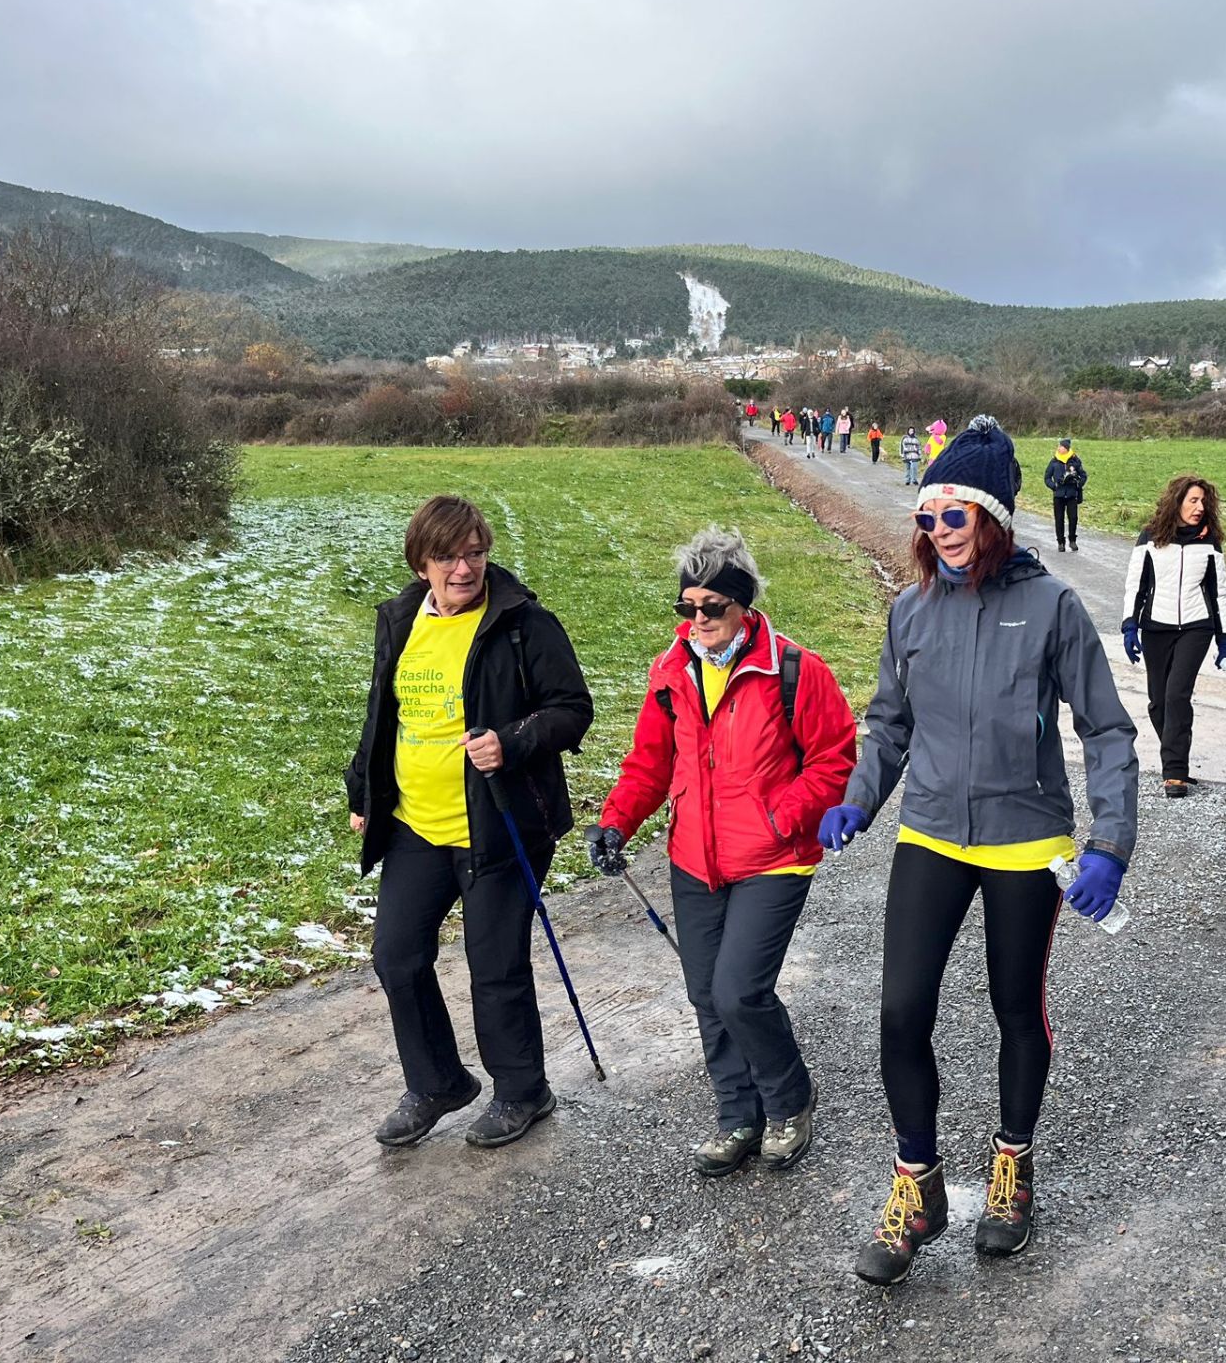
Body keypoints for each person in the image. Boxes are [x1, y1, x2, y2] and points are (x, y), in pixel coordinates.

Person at [817, 417, 1139, 1286]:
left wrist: (1108, 842)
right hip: (928, 830)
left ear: (993, 517)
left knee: (1013, 1010)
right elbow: (889, 722)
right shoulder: (911, 611)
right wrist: (856, 799)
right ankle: (917, 1184)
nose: (939, 533)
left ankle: (1011, 1169)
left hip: (1025, 839)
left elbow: (1107, 730)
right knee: (900, 1010)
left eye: (955, 516)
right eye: (927, 518)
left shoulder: (1052, 607)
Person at [588, 529, 856, 1175]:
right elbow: (649, 763)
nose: (699, 619)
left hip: (774, 859)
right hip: (694, 857)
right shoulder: (671, 672)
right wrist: (617, 821)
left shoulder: (794, 669)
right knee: (706, 994)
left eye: (713, 606)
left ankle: (790, 1100)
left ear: (743, 605)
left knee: (739, 991)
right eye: (688, 607)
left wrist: (782, 818)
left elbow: (834, 758)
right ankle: (738, 1116)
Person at [347, 495, 594, 1150]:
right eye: (449, 556)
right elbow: (384, 714)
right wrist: (362, 790)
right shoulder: (401, 619)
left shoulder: (522, 623)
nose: (465, 568)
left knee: (496, 966)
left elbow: (572, 708)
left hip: (500, 824)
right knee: (396, 956)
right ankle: (437, 1084)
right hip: (416, 827)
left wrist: (511, 741)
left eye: (476, 553)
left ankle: (522, 1091)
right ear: (422, 561)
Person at [1121, 475, 1226, 798]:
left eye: (1203, 502)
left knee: (1176, 696)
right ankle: (1176, 752)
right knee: (1158, 703)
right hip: (1156, 626)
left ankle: (1175, 772)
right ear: (1177, 502)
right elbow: (1135, 586)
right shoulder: (1150, 537)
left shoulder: (1209, 541)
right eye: (1193, 501)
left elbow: (1218, 593)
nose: (1199, 508)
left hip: (1197, 627)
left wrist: (1224, 641)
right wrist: (1130, 626)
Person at [1042, 437, 1087, 552]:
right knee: (1059, 519)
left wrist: (1078, 484)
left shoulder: (1075, 461)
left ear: (1066, 448)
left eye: (1061, 446)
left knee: (1073, 518)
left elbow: (1083, 475)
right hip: (1059, 495)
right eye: (1059, 446)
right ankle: (1061, 542)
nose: (1059, 448)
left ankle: (1072, 540)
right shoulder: (1054, 462)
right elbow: (1047, 477)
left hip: (1072, 494)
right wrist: (1054, 486)